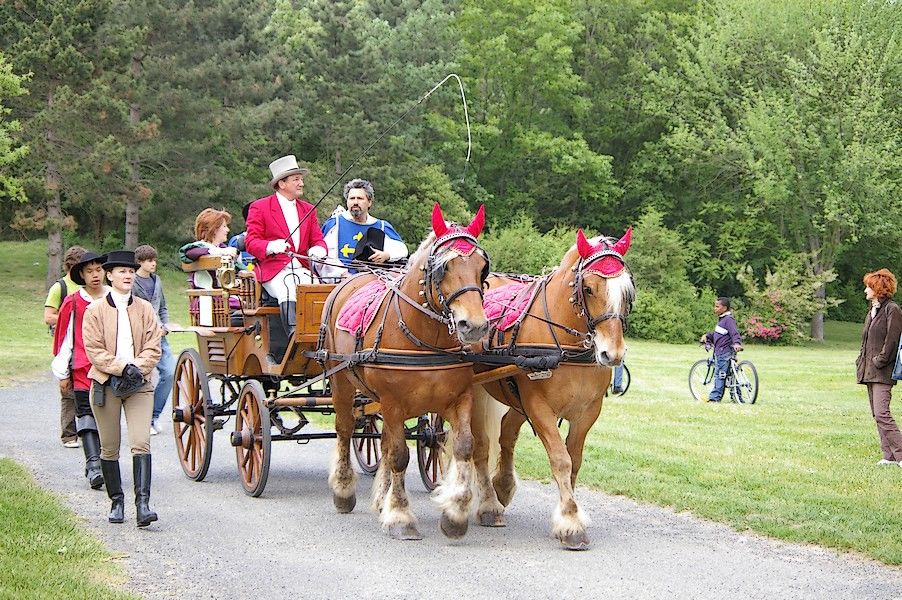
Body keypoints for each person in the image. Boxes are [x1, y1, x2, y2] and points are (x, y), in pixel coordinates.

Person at [83, 250, 163, 526]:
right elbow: (94, 349)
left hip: (139, 383)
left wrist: (137, 367)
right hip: (107, 383)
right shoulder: (94, 310)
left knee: (141, 441)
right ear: (110, 275)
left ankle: (143, 505)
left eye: (131, 271)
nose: (128, 275)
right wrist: (120, 367)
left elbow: (154, 346)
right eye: (122, 271)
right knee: (109, 447)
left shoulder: (145, 308)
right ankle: (117, 501)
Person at [245, 155, 327, 339]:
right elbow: (251, 242)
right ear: (282, 183)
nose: (301, 183)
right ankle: (294, 334)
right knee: (288, 287)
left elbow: (318, 240)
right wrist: (270, 246)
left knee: (318, 289)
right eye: (296, 179)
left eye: (301, 179)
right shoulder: (260, 207)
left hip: (301, 268)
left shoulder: (308, 209)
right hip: (273, 270)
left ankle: (320, 334)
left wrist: (319, 250)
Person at [51, 251, 110, 488]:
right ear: (81, 275)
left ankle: (105, 461)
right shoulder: (73, 302)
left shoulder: (115, 298)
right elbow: (64, 338)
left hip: (111, 368)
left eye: (98, 270)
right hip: (82, 368)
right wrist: (63, 372)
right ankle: (94, 465)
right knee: (85, 414)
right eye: (89, 271)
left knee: (106, 417)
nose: (95, 275)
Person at [856, 269, 902, 467]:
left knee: (882, 413)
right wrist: (861, 360)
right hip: (868, 370)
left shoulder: (892, 309)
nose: (866, 290)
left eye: (869, 286)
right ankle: (889, 455)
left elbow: (892, 340)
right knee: (877, 414)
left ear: (878, 288)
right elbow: (866, 340)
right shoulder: (872, 310)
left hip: (882, 371)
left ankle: (900, 453)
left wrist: (880, 360)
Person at [320, 178, 407, 279]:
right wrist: (342, 274)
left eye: (360, 198)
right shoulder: (335, 224)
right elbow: (324, 257)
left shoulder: (381, 226)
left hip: (373, 283)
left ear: (369, 202)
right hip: (340, 283)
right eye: (352, 198)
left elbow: (402, 249)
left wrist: (386, 255)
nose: (355, 202)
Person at [44, 245, 86, 448]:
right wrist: (70, 315)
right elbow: (48, 317)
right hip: (66, 344)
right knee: (68, 390)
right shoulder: (60, 287)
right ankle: (69, 434)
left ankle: (88, 429)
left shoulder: (90, 285)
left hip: (88, 342)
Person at [132, 245, 176, 436]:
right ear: (140, 262)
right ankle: (141, 419)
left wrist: (165, 324)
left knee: (169, 373)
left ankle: (154, 415)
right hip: (141, 336)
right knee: (142, 378)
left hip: (159, 336)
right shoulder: (131, 281)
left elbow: (163, 307)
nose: (153, 264)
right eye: (150, 260)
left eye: (154, 260)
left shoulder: (157, 280)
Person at [700, 296, 742, 402]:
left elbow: (734, 333)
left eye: (717, 306)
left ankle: (714, 398)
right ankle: (736, 397)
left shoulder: (728, 320)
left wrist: (737, 343)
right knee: (729, 374)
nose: (715, 308)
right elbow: (718, 334)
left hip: (724, 352)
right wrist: (708, 336)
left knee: (720, 375)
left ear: (724, 308)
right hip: (721, 351)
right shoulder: (722, 320)